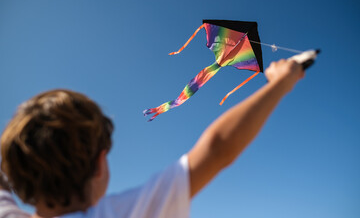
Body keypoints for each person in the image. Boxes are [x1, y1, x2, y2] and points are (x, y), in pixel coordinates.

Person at [0, 59, 304, 218]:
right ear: (99, 165)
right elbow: (217, 149)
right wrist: (280, 83)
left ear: (15, 170)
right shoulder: (123, 214)